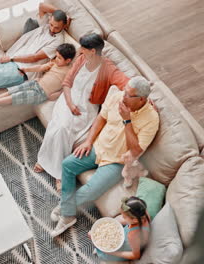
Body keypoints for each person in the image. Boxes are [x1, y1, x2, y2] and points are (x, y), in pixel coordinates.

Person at [49, 76, 159, 237]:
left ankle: (65, 213)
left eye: (128, 94)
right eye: (125, 91)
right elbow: (101, 118)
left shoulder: (151, 119)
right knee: (67, 164)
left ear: (142, 99)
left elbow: (135, 151)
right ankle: (68, 213)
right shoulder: (117, 97)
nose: (123, 96)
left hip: (117, 162)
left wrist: (127, 120)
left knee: (91, 190)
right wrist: (88, 141)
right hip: (98, 148)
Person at [34, 33, 130, 191]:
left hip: (86, 109)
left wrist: (143, 96)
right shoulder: (80, 59)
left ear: (93, 51)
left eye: (83, 48)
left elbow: (126, 83)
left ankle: (49, 164)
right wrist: (70, 104)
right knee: (60, 127)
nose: (80, 50)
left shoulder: (107, 68)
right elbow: (66, 83)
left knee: (63, 129)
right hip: (67, 100)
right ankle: (57, 171)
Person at [0, 43, 76, 110]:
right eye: (56, 56)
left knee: (16, 97)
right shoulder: (54, 63)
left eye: (59, 58)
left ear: (68, 60)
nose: (56, 59)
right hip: (36, 83)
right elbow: (40, 67)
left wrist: (57, 94)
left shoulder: (69, 71)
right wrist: (27, 70)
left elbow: (67, 86)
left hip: (42, 94)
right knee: (13, 91)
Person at [90, 196, 150, 261]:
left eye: (124, 217)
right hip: (131, 240)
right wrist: (111, 224)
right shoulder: (143, 212)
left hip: (124, 249)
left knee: (93, 236)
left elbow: (136, 256)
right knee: (94, 234)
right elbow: (122, 219)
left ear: (134, 220)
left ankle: (101, 253)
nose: (122, 217)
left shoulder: (132, 235)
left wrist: (111, 252)